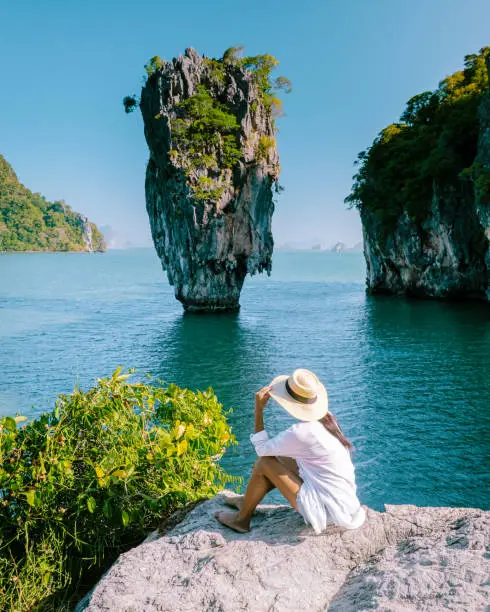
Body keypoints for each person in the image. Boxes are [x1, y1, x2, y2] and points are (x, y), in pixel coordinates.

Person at [215, 368, 366, 534]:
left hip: (326, 511)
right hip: (344, 503)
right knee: (279, 458)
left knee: (265, 462)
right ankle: (246, 501)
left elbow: (262, 450)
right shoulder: (328, 418)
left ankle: (241, 519)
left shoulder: (302, 431)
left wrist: (259, 409)